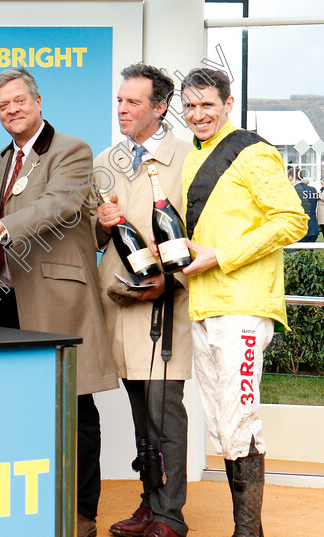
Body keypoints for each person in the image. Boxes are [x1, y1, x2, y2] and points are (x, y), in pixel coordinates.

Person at [0, 68, 118, 537]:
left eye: (18, 101)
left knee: (76, 405)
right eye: (2, 105)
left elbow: (61, 205)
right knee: (20, 405)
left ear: (37, 101)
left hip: (56, 297)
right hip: (3, 299)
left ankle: (82, 511)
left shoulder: (71, 150)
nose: (11, 110)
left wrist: (4, 230)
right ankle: (31, 502)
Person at [179, 67, 307, 537]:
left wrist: (223, 256)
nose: (198, 115)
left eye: (208, 105)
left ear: (228, 104)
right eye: (190, 106)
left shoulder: (252, 152)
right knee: (223, 427)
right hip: (203, 305)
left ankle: (250, 532)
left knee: (241, 422)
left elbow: (293, 220)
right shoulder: (194, 156)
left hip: (244, 307)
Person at [94, 64, 192, 537]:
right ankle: (149, 505)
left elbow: (200, 238)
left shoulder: (188, 161)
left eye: (133, 102)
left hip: (165, 310)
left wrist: (171, 282)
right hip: (121, 303)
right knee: (141, 416)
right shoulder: (105, 160)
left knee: (164, 414)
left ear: (160, 108)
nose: (122, 110)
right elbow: (96, 237)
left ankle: (170, 515)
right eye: (119, 101)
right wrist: (102, 221)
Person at [287, 167, 319, 242]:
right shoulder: (312, 190)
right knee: (309, 253)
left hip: (298, 227)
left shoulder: (292, 190)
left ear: (291, 178)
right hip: (312, 227)